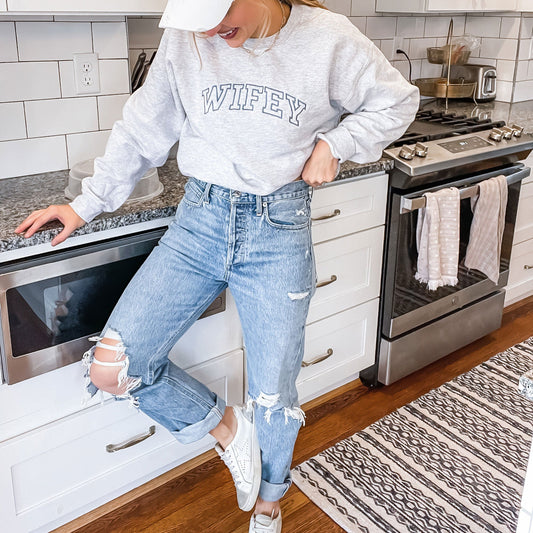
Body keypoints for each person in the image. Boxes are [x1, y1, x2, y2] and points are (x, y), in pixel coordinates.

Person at [15, 0, 419, 531]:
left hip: (277, 226)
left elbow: (397, 101)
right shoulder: (187, 38)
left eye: (218, 16)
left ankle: (269, 508)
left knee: (274, 392)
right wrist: (84, 204)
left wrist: (335, 142)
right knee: (113, 367)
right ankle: (230, 431)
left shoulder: (328, 38)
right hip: (197, 224)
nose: (207, 32)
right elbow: (143, 128)